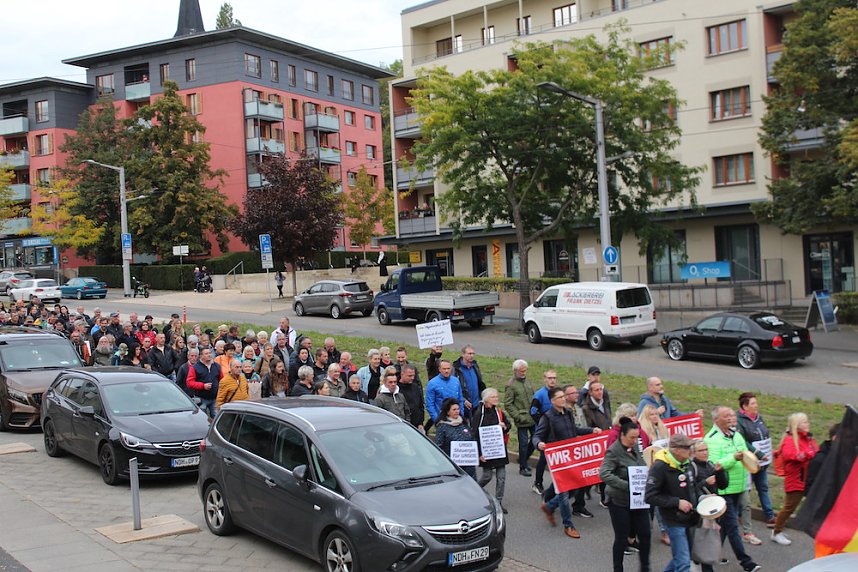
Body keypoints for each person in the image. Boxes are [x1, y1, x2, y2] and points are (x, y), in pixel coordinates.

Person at [534, 386, 601, 539]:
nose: (564, 399)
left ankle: (549, 505)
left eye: (564, 396)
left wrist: (591, 430)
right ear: (552, 401)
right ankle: (568, 525)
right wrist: (539, 444)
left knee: (575, 489)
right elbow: (537, 436)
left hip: (571, 458)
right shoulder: (548, 417)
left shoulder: (568, 414)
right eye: (560, 397)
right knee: (564, 493)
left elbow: (574, 430)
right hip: (558, 460)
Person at [704, 407, 761, 572]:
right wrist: (733, 458)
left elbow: (745, 455)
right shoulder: (711, 439)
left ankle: (707, 561)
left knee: (725, 527)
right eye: (726, 416)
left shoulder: (736, 435)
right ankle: (746, 563)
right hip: (724, 489)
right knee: (733, 526)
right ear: (716, 420)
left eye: (732, 415)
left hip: (739, 487)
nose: (731, 418)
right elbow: (715, 465)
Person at [599, 417, 652, 572]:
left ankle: (645, 567)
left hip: (638, 501)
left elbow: (641, 466)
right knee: (621, 538)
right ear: (622, 436)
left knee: (645, 534)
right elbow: (604, 473)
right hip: (619, 502)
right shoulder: (614, 451)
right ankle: (618, 568)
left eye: (637, 437)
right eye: (632, 438)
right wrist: (627, 486)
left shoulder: (635, 448)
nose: (635, 441)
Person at [644, 433, 699, 572]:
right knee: (683, 563)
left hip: (690, 518)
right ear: (675, 450)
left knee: (680, 558)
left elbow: (694, 488)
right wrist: (677, 502)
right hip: (673, 520)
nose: (690, 450)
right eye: (686, 447)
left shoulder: (689, 465)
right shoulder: (660, 467)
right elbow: (650, 496)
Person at [772, 412, 818, 546]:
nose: (807, 424)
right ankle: (776, 532)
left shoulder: (807, 438)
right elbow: (791, 455)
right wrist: (807, 454)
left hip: (807, 478)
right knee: (789, 507)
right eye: (804, 422)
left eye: (807, 421)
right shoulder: (789, 440)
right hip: (796, 479)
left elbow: (816, 451)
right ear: (797, 425)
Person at [736, 392, 776, 533]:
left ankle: (770, 516)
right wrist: (758, 453)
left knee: (763, 488)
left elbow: (765, 433)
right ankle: (738, 515)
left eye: (756, 403)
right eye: (753, 404)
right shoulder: (739, 421)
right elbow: (743, 442)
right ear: (745, 406)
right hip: (749, 462)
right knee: (745, 490)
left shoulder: (759, 418)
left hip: (762, 462)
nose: (756, 406)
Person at [690, 439, 729, 572]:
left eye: (706, 449)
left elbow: (723, 485)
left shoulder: (710, 465)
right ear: (693, 453)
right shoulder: (692, 467)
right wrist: (705, 482)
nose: (705, 453)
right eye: (701, 450)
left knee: (709, 539)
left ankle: (696, 559)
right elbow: (691, 490)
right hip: (700, 512)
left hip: (712, 509)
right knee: (704, 541)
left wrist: (719, 472)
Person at [473, 387, 509, 514]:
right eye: (493, 397)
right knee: (487, 476)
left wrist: (504, 427)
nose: (496, 399)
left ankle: (498, 502)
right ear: (486, 399)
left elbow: (508, 425)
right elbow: (475, 434)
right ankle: (473, 492)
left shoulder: (499, 412)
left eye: (497, 396)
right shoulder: (479, 414)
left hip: (498, 450)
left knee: (501, 477)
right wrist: (479, 453)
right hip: (486, 451)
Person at [505, 359, 535, 477]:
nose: (523, 373)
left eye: (525, 371)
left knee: (535, 439)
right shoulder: (511, 385)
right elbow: (508, 403)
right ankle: (523, 467)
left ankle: (523, 458)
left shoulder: (527, 382)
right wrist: (517, 416)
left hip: (532, 417)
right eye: (521, 371)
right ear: (515, 371)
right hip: (522, 419)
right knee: (523, 443)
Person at [530, 370, 558, 495]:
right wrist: (544, 424)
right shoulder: (539, 395)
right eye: (550, 378)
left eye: (554, 378)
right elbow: (533, 412)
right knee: (543, 459)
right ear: (544, 379)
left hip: (557, 432)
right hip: (544, 433)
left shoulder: (558, 393)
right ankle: (537, 483)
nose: (552, 380)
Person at [435, 397, 477, 479]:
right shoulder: (442, 426)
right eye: (454, 410)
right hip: (453, 466)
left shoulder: (463, 423)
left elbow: (472, 438)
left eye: (458, 409)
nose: (457, 411)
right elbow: (439, 446)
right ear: (447, 412)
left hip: (469, 464)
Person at [637, 376, 704, 419]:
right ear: (650, 387)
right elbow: (640, 421)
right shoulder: (644, 403)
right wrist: (656, 413)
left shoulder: (665, 399)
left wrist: (693, 415)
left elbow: (675, 414)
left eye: (661, 384)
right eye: (657, 385)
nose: (661, 386)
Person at [186, 347, 222, 418]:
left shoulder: (217, 366)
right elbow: (189, 382)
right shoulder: (195, 367)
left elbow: (222, 380)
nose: (209, 355)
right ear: (201, 356)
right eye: (206, 353)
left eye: (210, 353)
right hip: (201, 398)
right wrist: (203, 386)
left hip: (215, 398)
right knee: (202, 419)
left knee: (216, 418)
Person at [806, 422, 839, 494]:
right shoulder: (820, 459)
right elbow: (810, 488)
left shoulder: (849, 458)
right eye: (848, 437)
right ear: (835, 438)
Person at [453, 344, 485, 416]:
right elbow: (453, 388)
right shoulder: (456, 368)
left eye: (473, 354)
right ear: (463, 354)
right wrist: (463, 400)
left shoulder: (475, 366)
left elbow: (479, 383)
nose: (472, 356)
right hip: (463, 404)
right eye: (469, 353)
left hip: (476, 403)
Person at [397, 364, 425, 431]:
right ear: (402, 374)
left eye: (413, 376)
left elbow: (420, 406)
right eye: (409, 376)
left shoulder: (415, 387)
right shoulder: (397, 389)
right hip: (402, 424)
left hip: (417, 425)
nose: (412, 378)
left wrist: (421, 422)